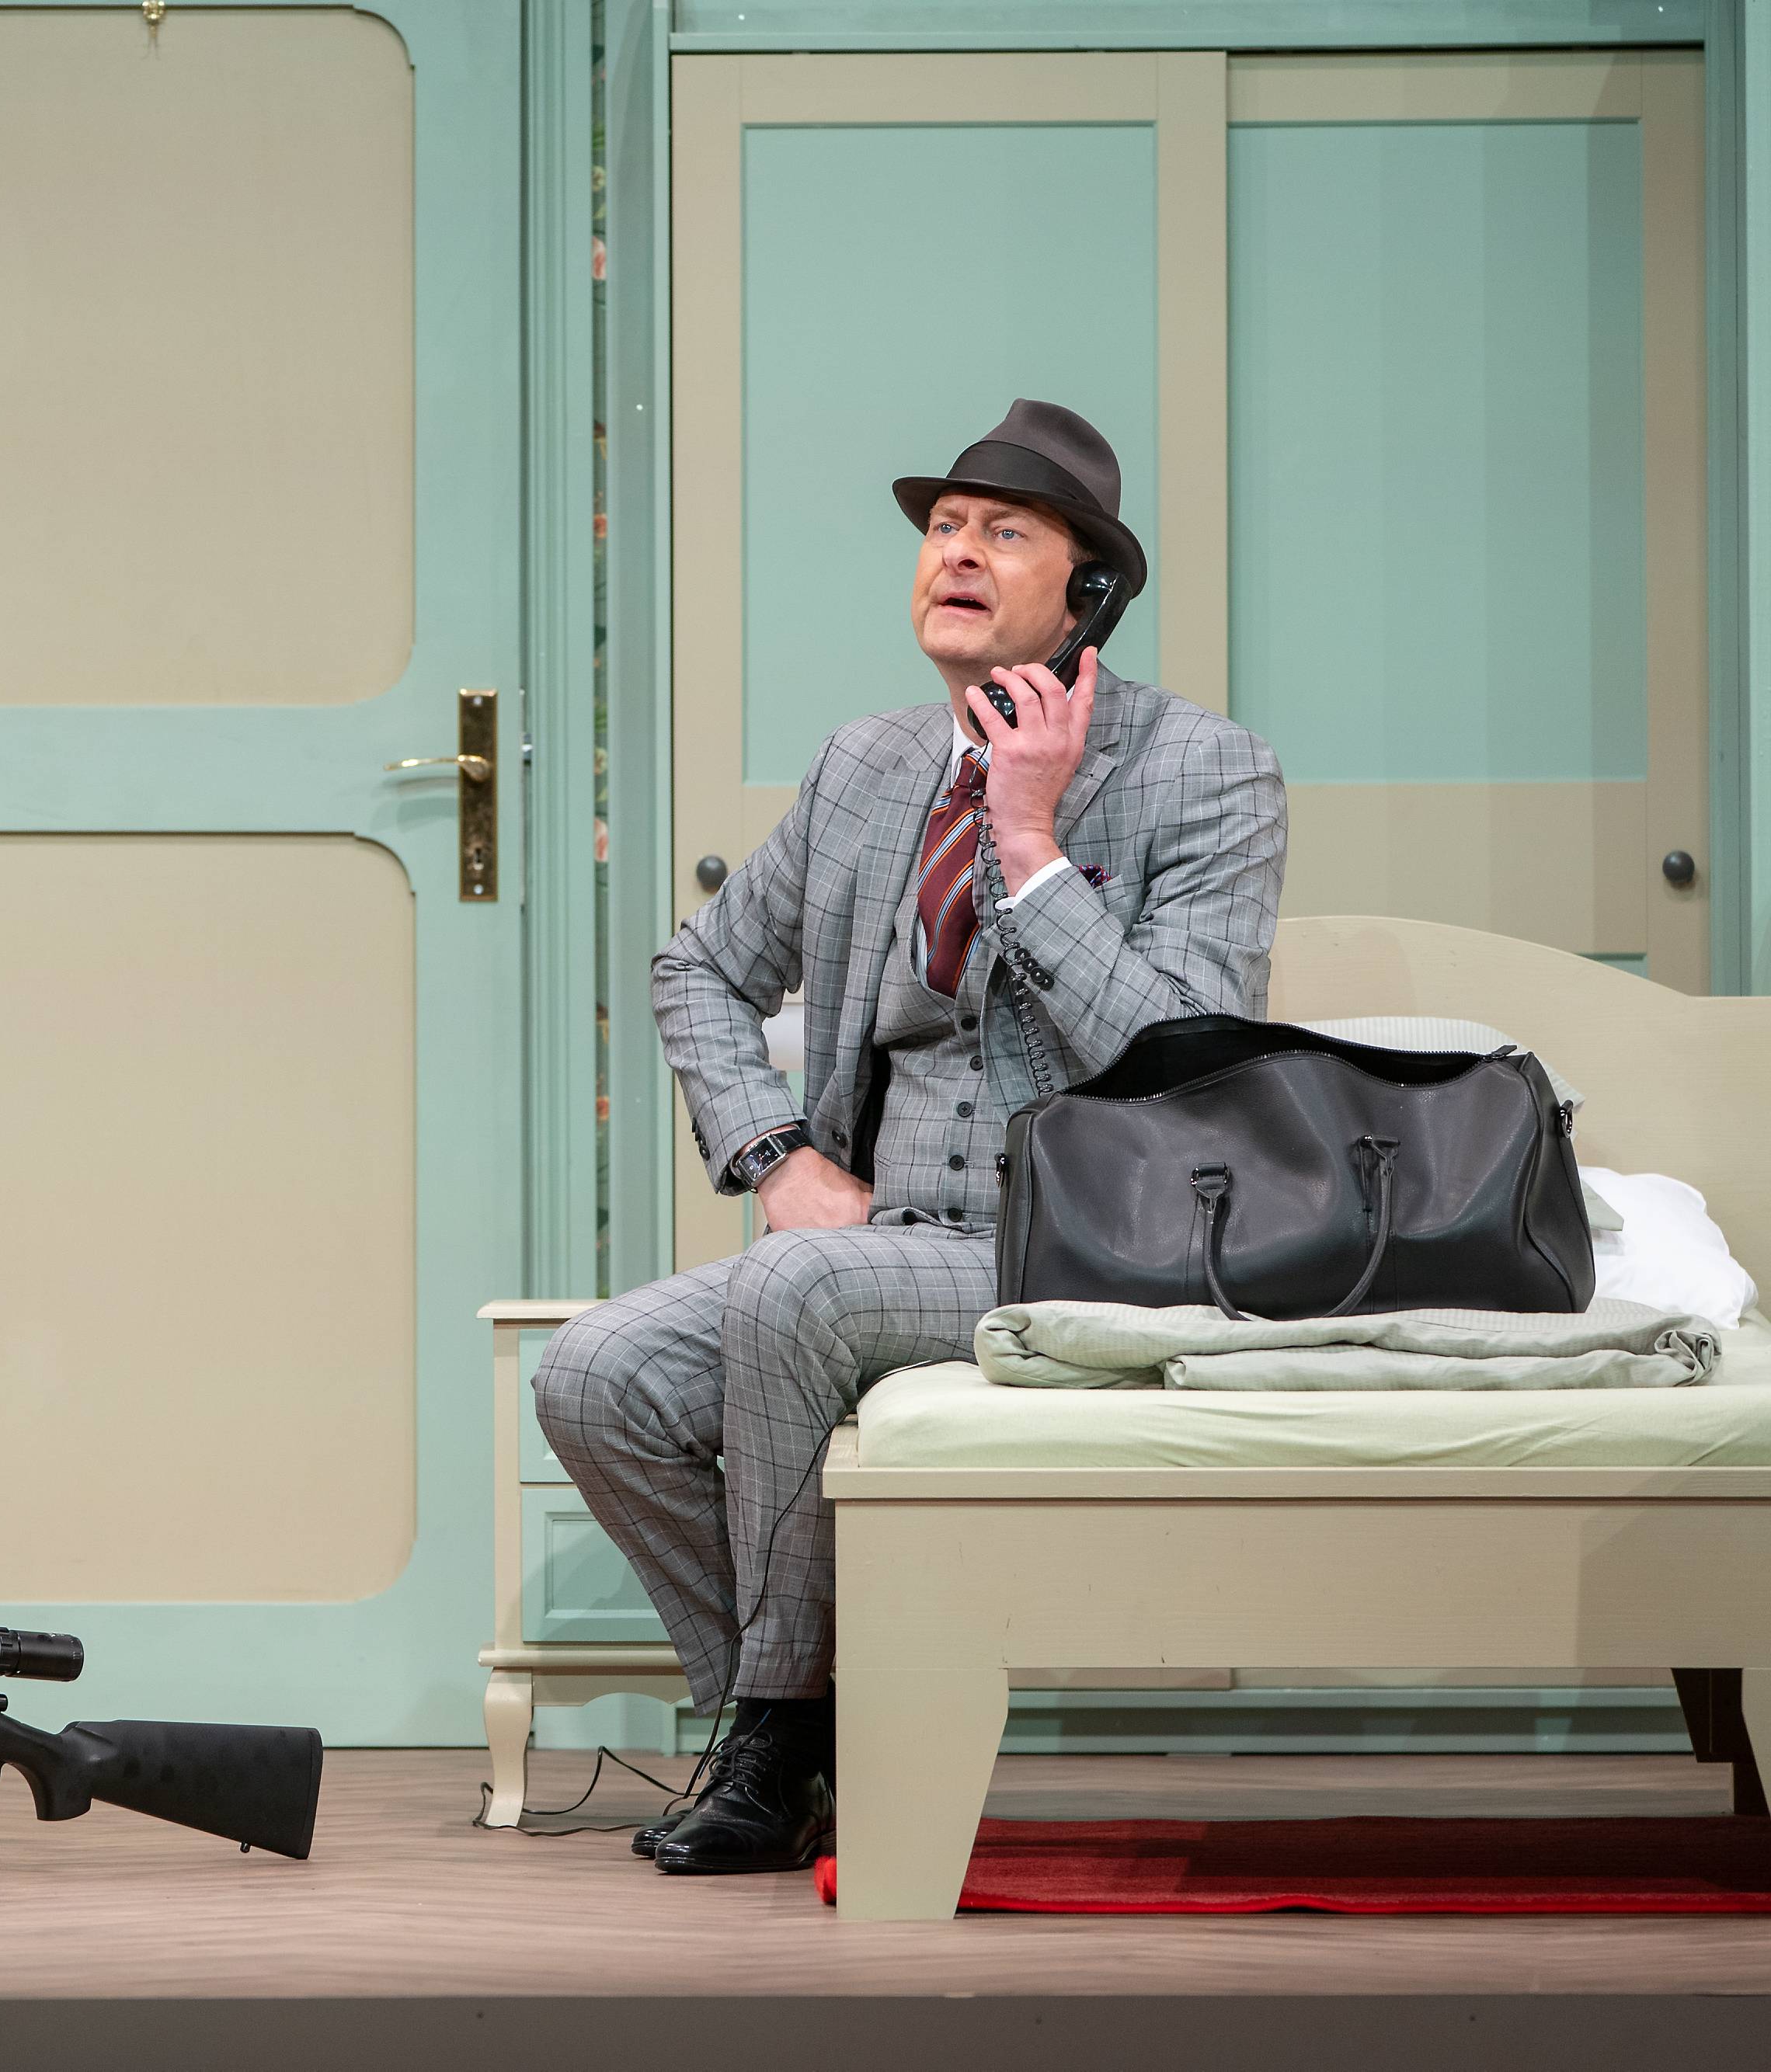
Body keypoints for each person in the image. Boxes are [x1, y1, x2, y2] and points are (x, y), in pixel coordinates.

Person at [535, 399, 1287, 1874]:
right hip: (877, 1240)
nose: (959, 552)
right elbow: (698, 969)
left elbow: (1187, 1058)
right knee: (597, 1373)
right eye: (945, 526)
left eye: (1005, 532)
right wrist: (774, 1156)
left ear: (1090, 592)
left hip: (1089, 1242)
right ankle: (811, 1726)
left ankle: (772, 1745)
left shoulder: (1205, 770)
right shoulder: (866, 766)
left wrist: (1032, 839)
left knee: (794, 1290)